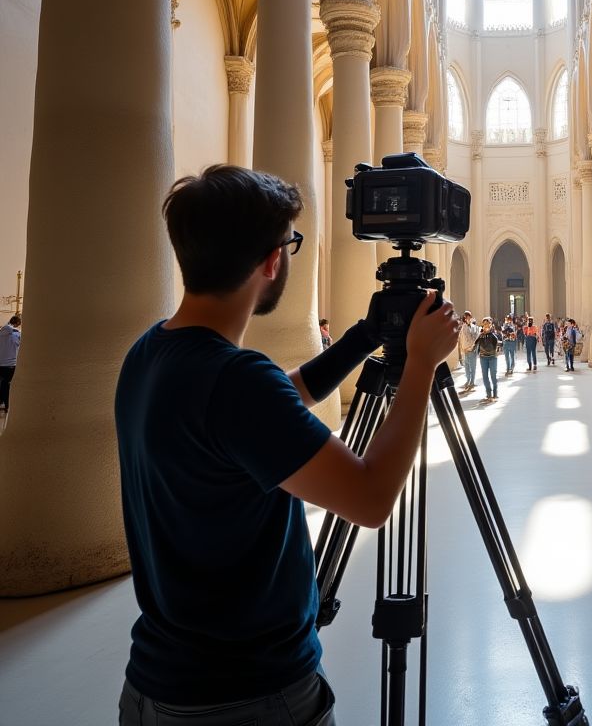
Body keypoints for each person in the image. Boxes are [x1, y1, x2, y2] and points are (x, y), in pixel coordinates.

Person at [114, 165, 459, 725]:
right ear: (272, 260)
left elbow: (275, 403)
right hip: (247, 698)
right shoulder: (237, 383)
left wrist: (363, 339)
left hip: (155, 687)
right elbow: (370, 500)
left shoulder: (150, 353)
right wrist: (419, 365)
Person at [475, 317, 500, 403]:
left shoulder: (493, 335)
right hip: (483, 358)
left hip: (492, 357)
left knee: (493, 376)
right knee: (485, 376)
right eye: (484, 324)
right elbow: (475, 343)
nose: (486, 326)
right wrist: (481, 334)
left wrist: (490, 332)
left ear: (490, 325)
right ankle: (488, 393)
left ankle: (495, 393)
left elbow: (499, 343)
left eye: (487, 324)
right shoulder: (481, 335)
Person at [0, 314, 21, 413]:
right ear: (17, 323)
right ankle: (7, 405)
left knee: (2, 384)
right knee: (7, 385)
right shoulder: (17, 334)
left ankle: (2, 402)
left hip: (0, 363)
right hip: (11, 364)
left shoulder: (1, 332)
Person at [458, 311, 481, 396]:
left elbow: (477, 337)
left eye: (469, 317)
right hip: (465, 350)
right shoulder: (463, 328)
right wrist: (461, 350)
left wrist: (474, 347)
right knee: (467, 368)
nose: (467, 318)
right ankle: (468, 381)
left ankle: (472, 382)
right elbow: (461, 339)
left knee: (473, 367)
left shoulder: (475, 327)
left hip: (472, 351)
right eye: (466, 317)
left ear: (471, 317)